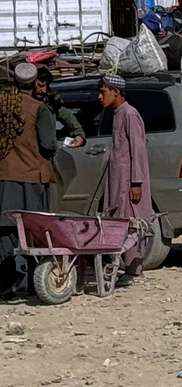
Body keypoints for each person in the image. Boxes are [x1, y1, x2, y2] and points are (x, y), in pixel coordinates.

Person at [0, 64, 57, 297]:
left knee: (5, 233)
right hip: (32, 178)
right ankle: (33, 285)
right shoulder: (39, 109)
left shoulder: (3, 105)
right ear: (35, 83)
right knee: (34, 233)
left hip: (3, 177)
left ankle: (5, 285)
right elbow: (48, 145)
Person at [98, 74, 153, 287]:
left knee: (131, 224)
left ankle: (134, 270)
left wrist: (136, 182)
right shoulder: (117, 113)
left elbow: (138, 151)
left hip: (129, 181)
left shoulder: (130, 114)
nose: (100, 97)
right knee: (120, 222)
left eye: (103, 92)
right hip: (118, 179)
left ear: (116, 92)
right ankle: (126, 268)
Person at [34, 66, 85, 148]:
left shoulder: (50, 103)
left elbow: (67, 117)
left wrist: (78, 135)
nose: (43, 90)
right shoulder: (20, 103)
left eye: (46, 86)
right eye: (40, 85)